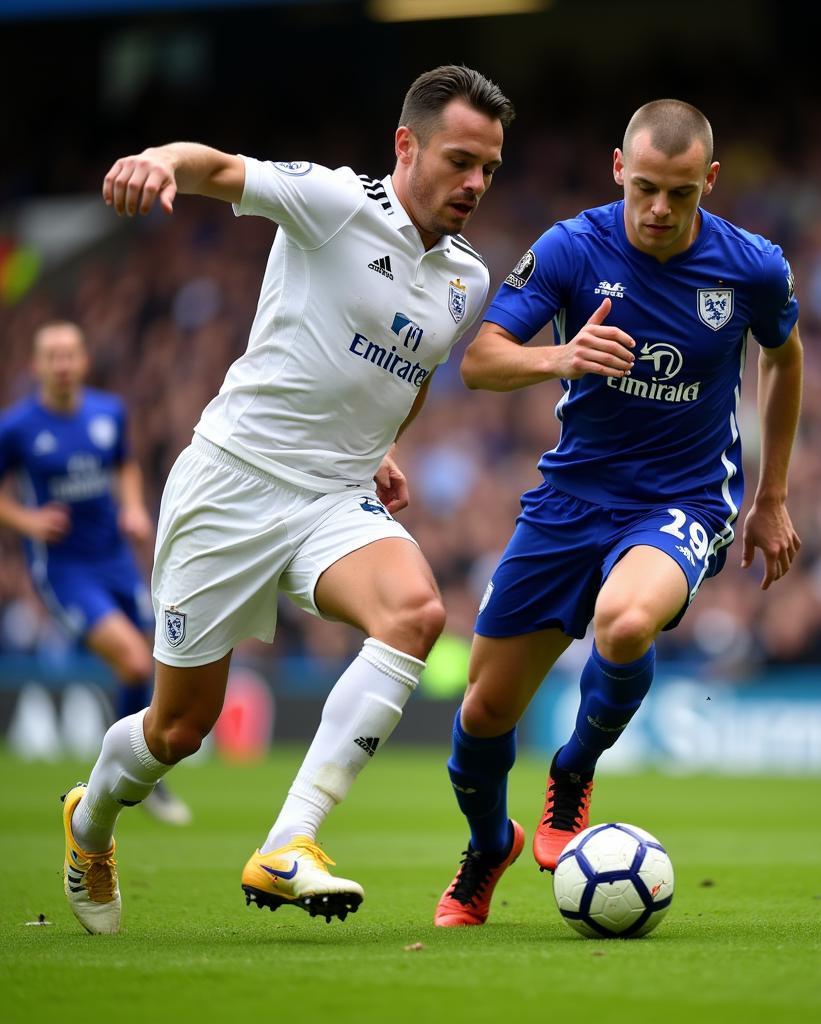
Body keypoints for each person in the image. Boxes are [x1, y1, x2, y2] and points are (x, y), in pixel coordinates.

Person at [60, 65, 514, 935]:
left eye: (488, 169)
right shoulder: (336, 203)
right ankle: (91, 820)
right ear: (405, 145)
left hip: (331, 497)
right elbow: (221, 169)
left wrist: (383, 447)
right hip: (230, 485)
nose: (475, 184)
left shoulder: (467, 278)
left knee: (416, 613)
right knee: (179, 729)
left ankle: (290, 840)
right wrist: (159, 158)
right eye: (460, 160)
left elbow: (409, 373)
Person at [434, 99, 803, 927]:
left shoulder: (752, 267)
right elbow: (482, 361)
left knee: (625, 622)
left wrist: (769, 495)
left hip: (682, 501)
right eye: (645, 189)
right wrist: (559, 356)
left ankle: (575, 769)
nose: (661, 210)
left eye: (680, 192)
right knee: (484, 714)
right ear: (617, 170)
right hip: (569, 500)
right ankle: (489, 844)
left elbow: (784, 358)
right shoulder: (572, 247)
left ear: (710, 180)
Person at [0, 321, 191, 826]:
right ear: (37, 365)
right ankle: (125, 774)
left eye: (70, 354)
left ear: (83, 361)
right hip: (65, 570)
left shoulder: (109, 413)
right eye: (52, 356)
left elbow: (125, 464)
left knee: (151, 658)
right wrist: (28, 521)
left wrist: (131, 507)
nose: (62, 364)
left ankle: (134, 773)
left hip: (114, 558)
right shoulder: (17, 427)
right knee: (132, 662)